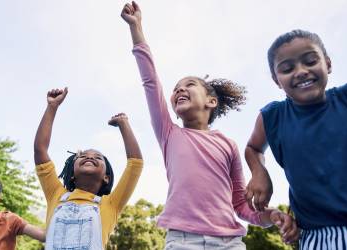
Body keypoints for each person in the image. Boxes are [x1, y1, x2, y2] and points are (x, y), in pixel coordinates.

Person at [121, 2, 298, 249]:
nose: (179, 89)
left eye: (189, 84)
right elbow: (150, 82)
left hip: (229, 242)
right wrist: (136, 28)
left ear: (211, 101)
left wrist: (271, 216)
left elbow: (241, 206)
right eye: (175, 89)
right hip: (183, 240)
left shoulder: (228, 145)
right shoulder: (169, 133)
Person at [245, 29, 347, 249]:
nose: (301, 71)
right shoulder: (273, 116)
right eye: (287, 69)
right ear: (277, 80)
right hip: (319, 235)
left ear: (328, 64)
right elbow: (253, 147)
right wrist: (259, 172)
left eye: (310, 61)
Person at [33, 87, 143, 249]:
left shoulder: (111, 204)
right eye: (83, 156)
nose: (90, 157)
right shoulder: (55, 195)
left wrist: (124, 124)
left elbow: (135, 164)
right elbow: (40, 150)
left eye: (98, 157)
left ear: (106, 177)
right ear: (71, 174)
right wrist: (52, 107)